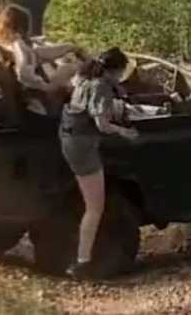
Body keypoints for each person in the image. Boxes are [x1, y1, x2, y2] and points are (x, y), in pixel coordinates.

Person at [59, 47, 138, 279]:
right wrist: (125, 132)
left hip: (70, 139)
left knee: (92, 205)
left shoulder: (84, 78)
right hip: (82, 146)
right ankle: (82, 262)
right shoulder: (101, 86)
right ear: (116, 70)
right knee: (95, 207)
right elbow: (102, 124)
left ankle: (82, 258)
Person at [0, 5, 83, 93]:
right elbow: (24, 72)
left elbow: (40, 53)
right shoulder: (18, 45)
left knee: (61, 66)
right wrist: (45, 87)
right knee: (68, 68)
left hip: (24, 89)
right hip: (34, 92)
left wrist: (69, 47)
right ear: (22, 28)